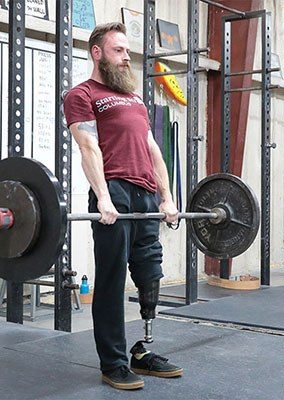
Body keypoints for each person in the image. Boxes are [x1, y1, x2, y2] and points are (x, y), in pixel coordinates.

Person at [63, 23, 183, 390]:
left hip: (146, 193)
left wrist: (167, 196)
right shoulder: (81, 95)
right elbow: (88, 148)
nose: (127, 56)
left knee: (150, 273)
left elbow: (153, 150)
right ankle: (112, 363)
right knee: (113, 280)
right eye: (118, 50)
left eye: (127, 51)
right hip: (114, 192)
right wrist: (102, 195)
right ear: (97, 53)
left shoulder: (135, 98)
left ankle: (142, 350)